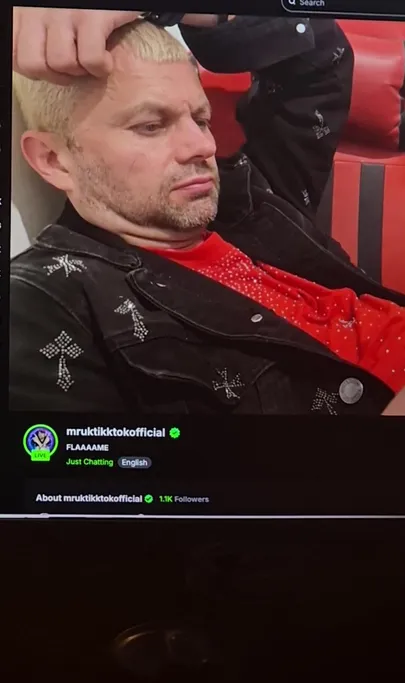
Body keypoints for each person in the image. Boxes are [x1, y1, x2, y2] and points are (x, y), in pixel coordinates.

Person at [10, 10, 405, 414]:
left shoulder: (247, 193)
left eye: (201, 119)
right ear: (54, 160)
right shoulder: (46, 305)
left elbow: (320, 52)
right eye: (151, 126)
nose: (202, 146)